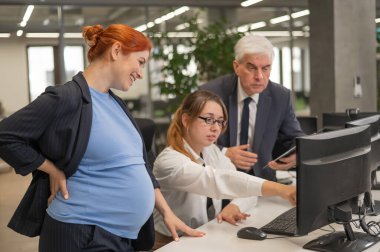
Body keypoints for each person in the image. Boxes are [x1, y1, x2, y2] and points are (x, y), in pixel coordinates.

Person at [0, 24, 204, 252]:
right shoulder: (66, 97)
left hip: (121, 237)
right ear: (116, 51)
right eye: (140, 62)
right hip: (81, 234)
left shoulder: (116, 103)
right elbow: (5, 135)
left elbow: (140, 163)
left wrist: (167, 213)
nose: (140, 72)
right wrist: (51, 169)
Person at [152, 90, 296, 249]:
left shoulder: (211, 151)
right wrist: (282, 189)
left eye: (220, 121)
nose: (215, 128)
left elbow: (243, 188)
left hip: (203, 236)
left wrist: (235, 206)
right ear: (186, 120)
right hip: (171, 242)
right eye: (208, 120)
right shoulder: (169, 161)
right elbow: (218, 181)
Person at [200, 34, 304, 181]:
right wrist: (224, 153)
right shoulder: (211, 93)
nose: (259, 76)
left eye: (266, 69)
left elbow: (294, 138)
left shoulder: (280, 96)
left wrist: (298, 153)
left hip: (262, 183)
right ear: (236, 67)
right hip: (218, 181)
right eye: (252, 68)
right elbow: (193, 140)